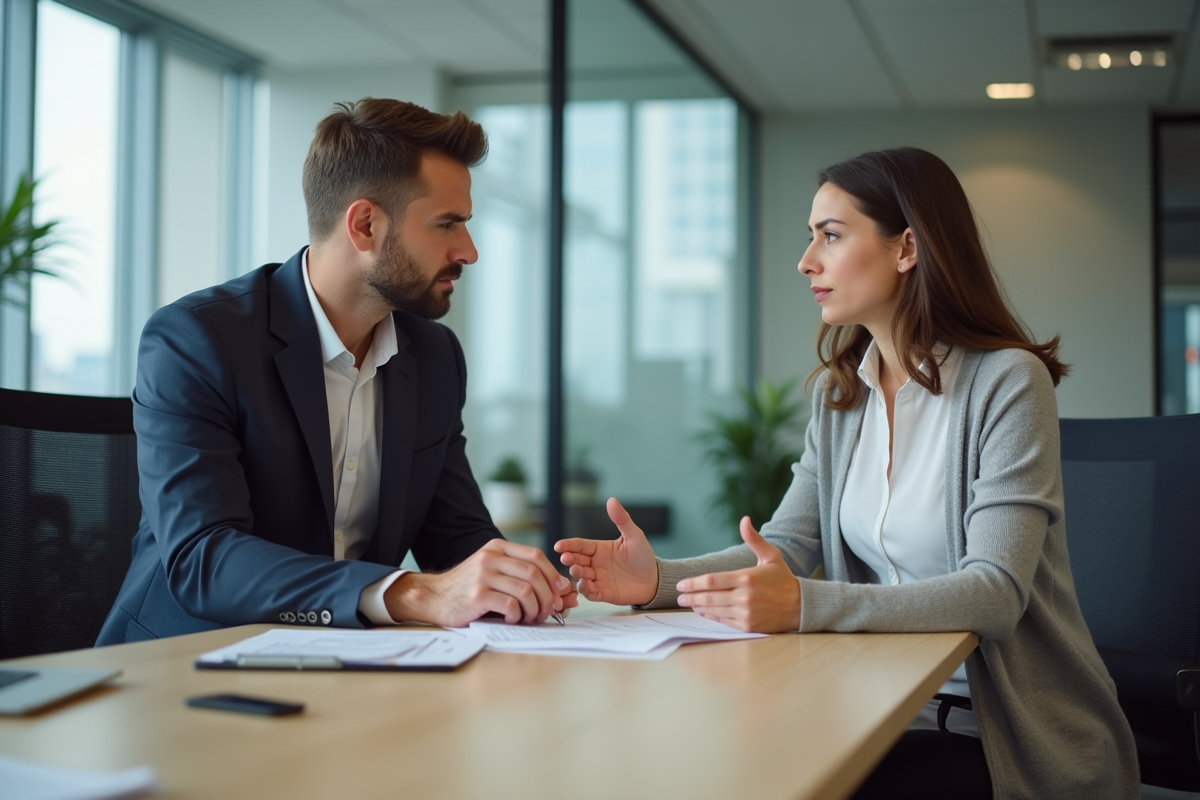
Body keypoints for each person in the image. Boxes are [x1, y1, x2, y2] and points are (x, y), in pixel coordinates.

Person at [555, 147, 1139, 799]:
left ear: (906, 248)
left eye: (831, 236)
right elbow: (790, 549)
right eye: (812, 239)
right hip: (878, 706)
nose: (807, 261)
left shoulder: (1006, 384)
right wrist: (659, 580)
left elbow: (994, 594)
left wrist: (806, 604)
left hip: (1003, 737)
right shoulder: (842, 398)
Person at [97, 98, 576, 646]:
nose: (468, 251)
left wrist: (524, 584)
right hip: (183, 665)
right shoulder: (197, 341)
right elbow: (204, 558)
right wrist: (412, 593)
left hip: (343, 666)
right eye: (448, 224)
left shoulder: (435, 356)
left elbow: (457, 538)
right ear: (365, 224)